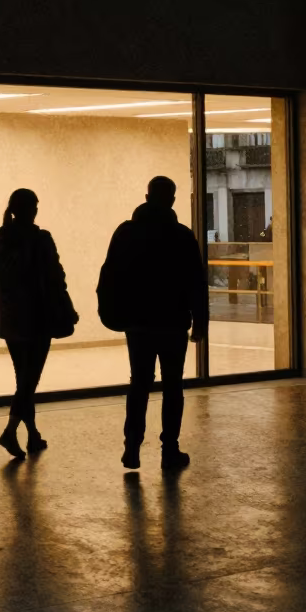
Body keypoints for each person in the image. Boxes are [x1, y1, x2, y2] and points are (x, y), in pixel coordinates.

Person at [97, 175, 208, 472]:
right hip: (173, 322)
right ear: (172, 200)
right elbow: (196, 283)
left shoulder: (126, 232)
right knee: (173, 386)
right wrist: (200, 322)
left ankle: (132, 447)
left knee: (140, 383)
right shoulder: (182, 236)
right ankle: (169, 450)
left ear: (146, 198)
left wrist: (111, 313)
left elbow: (109, 275)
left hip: (137, 322)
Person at [0, 189, 78, 460]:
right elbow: (56, 277)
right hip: (38, 317)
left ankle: (33, 434)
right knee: (28, 380)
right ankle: (10, 431)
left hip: (10, 318)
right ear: (31, 210)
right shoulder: (41, 239)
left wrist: (8, 294)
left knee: (24, 379)